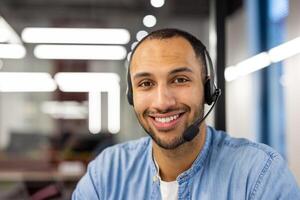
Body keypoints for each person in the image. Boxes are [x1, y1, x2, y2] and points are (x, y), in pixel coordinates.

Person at [72, 28, 300, 199]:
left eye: (180, 80)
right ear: (132, 96)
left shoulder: (260, 174)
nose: (162, 103)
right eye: (146, 83)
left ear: (208, 90)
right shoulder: (106, 173)